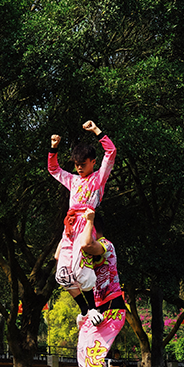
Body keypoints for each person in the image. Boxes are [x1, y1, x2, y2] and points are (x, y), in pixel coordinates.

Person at [48, 120, 116, 306]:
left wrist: (96, 130)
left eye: (83, 164)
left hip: (86, 225)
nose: (79, 168)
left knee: (80, 270)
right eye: (76, 164)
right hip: (69, 227)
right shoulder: (74, 180)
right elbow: (53, 169)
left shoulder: (99, 178)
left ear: (93, 162)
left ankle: (93, 307)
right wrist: (54, 148)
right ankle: (85, 309)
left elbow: (111, 153)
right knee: (62, 272)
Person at [74, 233, 127, 367]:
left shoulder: (106, 245)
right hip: (96, 310)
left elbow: (88, 245)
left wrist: (88, 220)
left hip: (112, 308)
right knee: (83, 343)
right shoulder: (86, 254)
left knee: (93, 345)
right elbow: (58, 255)